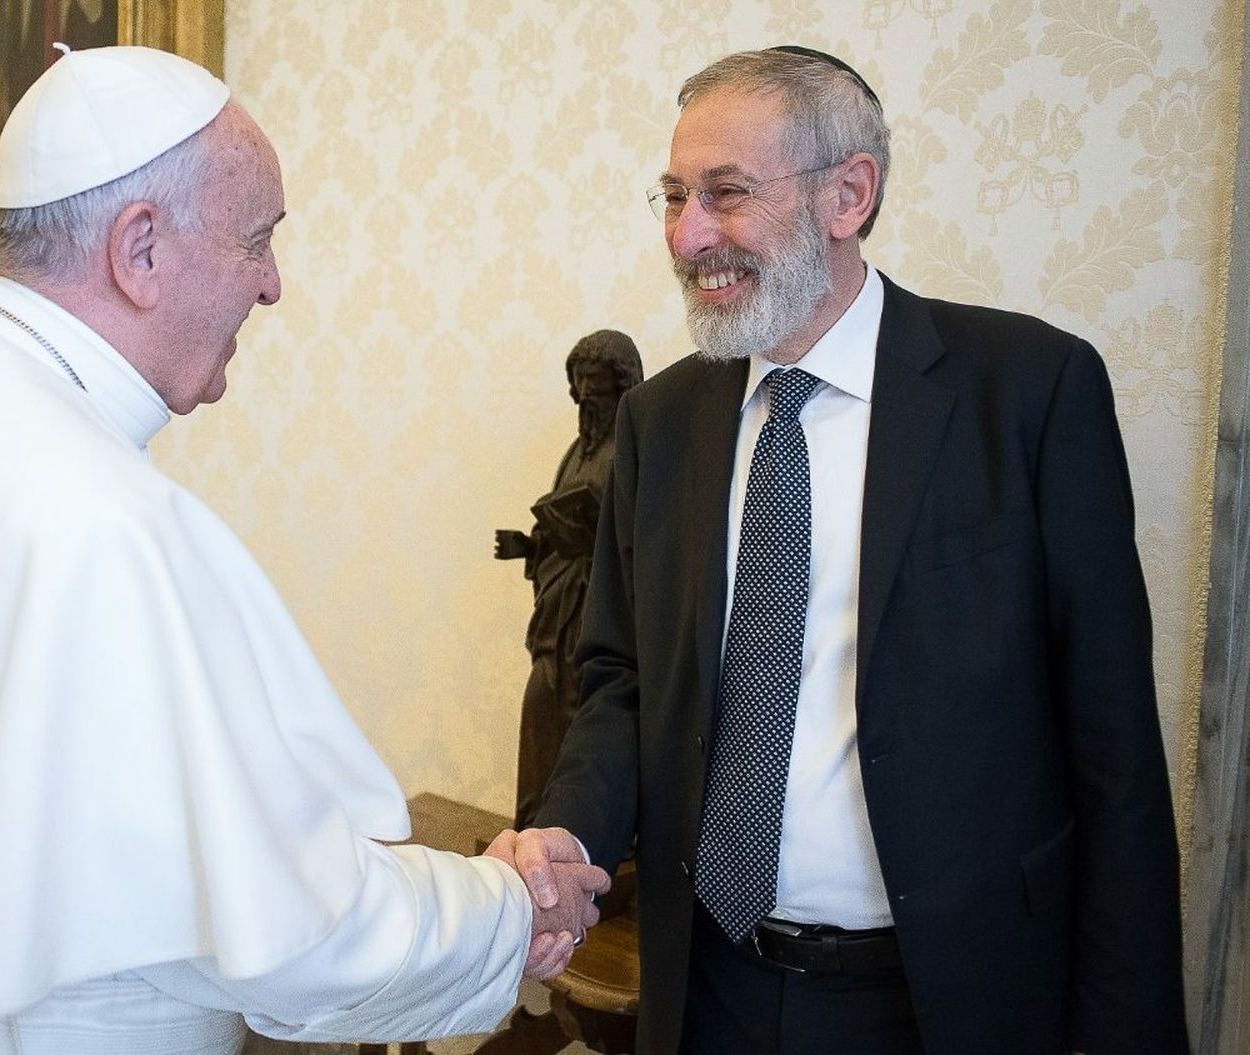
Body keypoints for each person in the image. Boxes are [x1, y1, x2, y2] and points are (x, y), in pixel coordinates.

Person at [0, 46, 606, 1054]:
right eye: (257, 241)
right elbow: (298, 936)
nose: (272, 287)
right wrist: (508, 903)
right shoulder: (97, 520)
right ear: (140, 249)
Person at [491, 47, 1187, 1053]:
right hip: (710, 986)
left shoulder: (1028, 393)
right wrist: (566, 831)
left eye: (726, 195)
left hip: (949, 994)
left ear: (847, 194)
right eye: (675, 196)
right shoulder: (661, 421)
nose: (688, 235)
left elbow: (1112, 750)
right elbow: (623, 684)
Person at [495, 330, 642, 829]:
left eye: (595, 387)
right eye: (578, 386)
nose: (584, 397)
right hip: (559, 608)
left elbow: (645, 542)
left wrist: (596, 539)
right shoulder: (576, 451)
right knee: (542, 708)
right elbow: (558, 521)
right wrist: (530, 545)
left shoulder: (634, 448)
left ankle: (581, 835)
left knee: (589, 718)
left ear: (620, 387)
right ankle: (532, 829)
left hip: (600, 612)